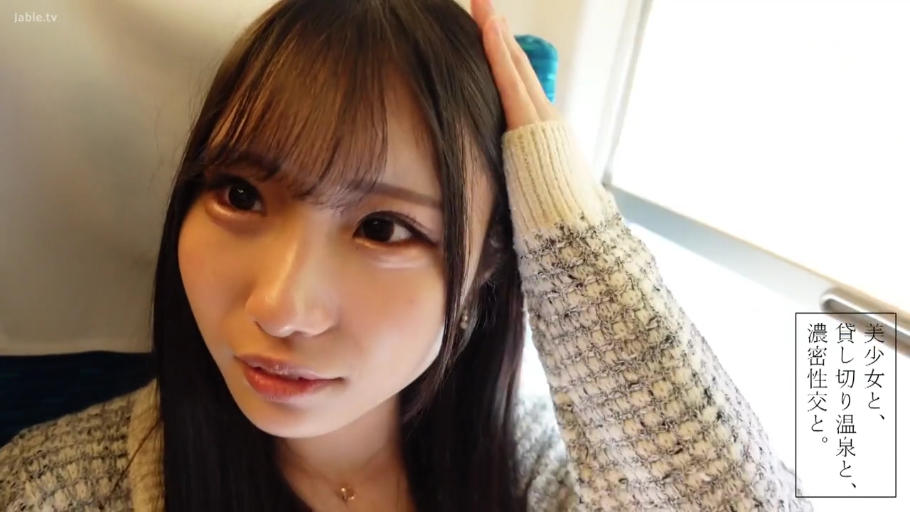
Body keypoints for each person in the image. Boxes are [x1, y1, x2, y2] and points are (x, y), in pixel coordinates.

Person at [0, 0, 811, 510]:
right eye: (240, 195)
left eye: (385, 229)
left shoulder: (548, 475)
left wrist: (573, 233)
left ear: (487, 266)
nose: (281, 307)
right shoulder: (57, 490)